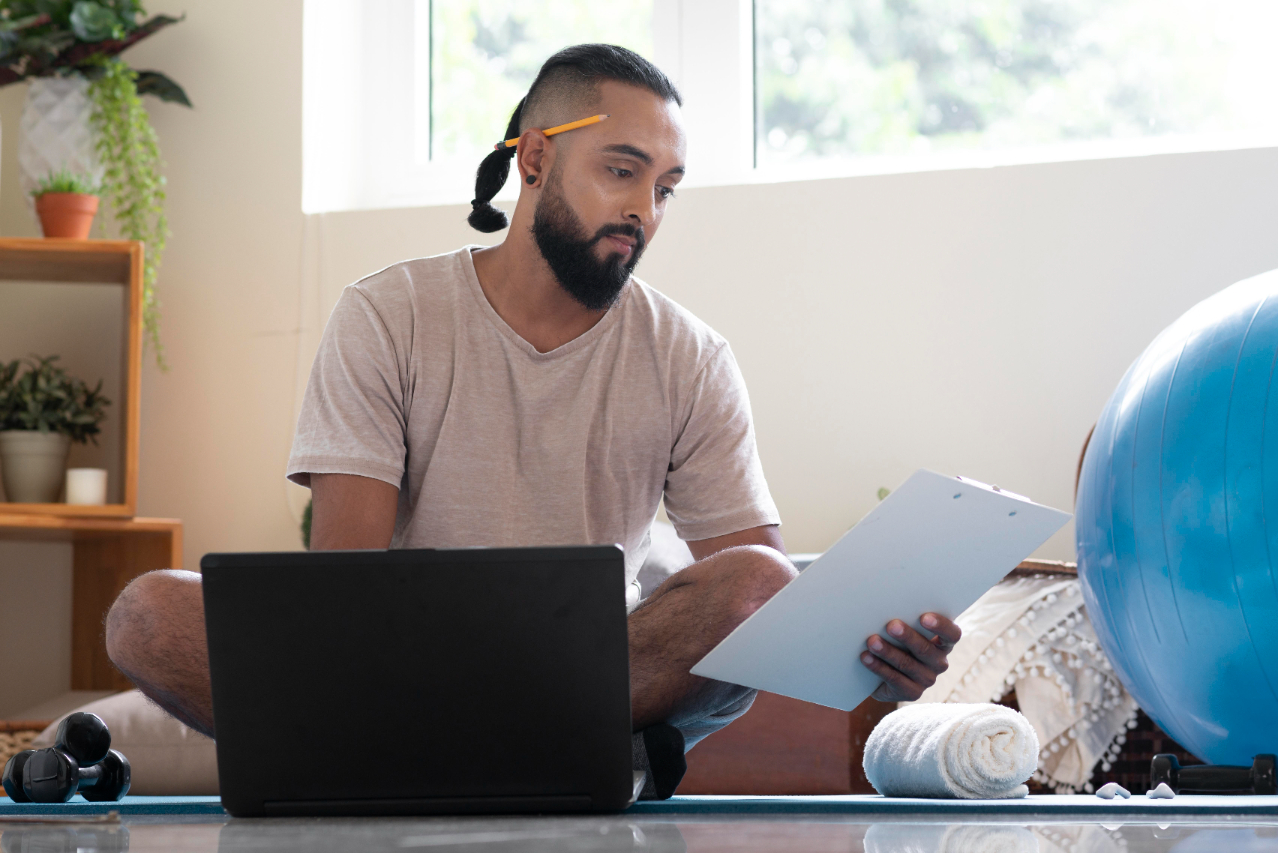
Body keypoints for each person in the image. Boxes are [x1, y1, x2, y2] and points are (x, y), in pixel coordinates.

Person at [103, 43, 961, 763]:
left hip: (590, 675)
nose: (642, 209)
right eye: (621, 170)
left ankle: (417, 761)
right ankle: (507, 756)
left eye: (664, 187)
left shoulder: (689, 356)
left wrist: (874, 656)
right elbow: (344, 590)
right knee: (147, 613)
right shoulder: (388, 316)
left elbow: (766, 598)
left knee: (757, 583)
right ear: (537, 157)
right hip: (397, 669)